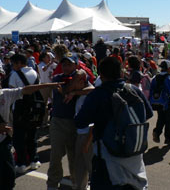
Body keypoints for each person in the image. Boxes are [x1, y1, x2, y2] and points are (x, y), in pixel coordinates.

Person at [75, 57, 153, 189]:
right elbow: (148, 113)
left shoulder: (97, 94)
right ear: (121, 72)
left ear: (101, 74)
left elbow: (80, 122)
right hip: (134, 152)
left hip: (107, 156)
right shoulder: (134, 90)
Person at [0, 82, 61, 190]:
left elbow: (26, 89)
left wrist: (48, 85)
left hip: (4, 140)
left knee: (9, 175)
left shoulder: (5, 94)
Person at [47, 53, 94, 190]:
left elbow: (92, 89)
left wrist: (75, 92)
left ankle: (76, 182)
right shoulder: (57, 78)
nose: (66, 67)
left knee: (75, 157)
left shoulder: (81, 77)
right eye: (64, 64)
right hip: (58, 121)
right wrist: (74, 87)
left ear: (75, 65)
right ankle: (52, 184)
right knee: (55, 156)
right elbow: (61, 95)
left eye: (69, 64)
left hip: (75, 123)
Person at [8, 54, 42, 173]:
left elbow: (11, 92)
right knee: (32, 136)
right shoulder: (35, 73)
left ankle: (21, 163)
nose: (12, 66)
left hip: (20, 108)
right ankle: (34, 160)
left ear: (19, 63)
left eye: (13, 64)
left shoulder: (14, 75)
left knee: (19, 137)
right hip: (34, 108)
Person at [150, 60, 170, 145]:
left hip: (158, 102)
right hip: (168, 101)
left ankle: (157, 132)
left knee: (161, 118)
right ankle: (168, 139)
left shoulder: (155, 77)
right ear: (169, 68)